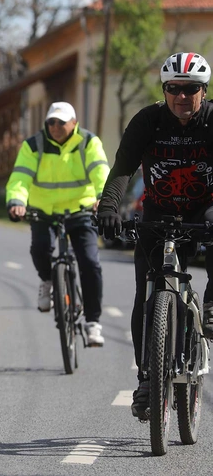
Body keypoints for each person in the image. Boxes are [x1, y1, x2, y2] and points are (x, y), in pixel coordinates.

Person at [97, 51, 213, 420]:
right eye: (174, 88)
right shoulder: (148, 121)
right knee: (146, 294)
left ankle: (211, 305)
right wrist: (108, 208)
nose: (182, 96)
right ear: (164, 90)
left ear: (204, 91)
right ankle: (148, 377)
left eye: (190, 89)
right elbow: (123, 168)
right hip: (159, 212)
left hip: (205, 209)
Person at [6, 101, 109, 347]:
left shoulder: (88, 142)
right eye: (51, 122)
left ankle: (93, 323)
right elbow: (20, 177)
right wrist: (17, 201)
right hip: (44, 211)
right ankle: (47, 281)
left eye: (61, 122)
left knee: (90, 263)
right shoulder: (34, 145)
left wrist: (103, 198)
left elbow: (100, 171)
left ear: (74, 123)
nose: (55, 127)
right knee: (40, 249)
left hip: (81, 209)